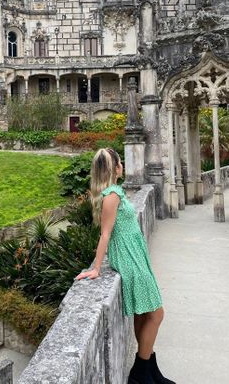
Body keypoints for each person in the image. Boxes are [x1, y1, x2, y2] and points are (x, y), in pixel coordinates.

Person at [75, 148, 175, 384]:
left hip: (135, 254)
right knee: (157, 314)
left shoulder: (115, 192)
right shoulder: (111, 196)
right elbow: (105, 234)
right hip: (128, 257)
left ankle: (150, 368)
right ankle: (140, 371)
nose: (123, 165)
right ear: (116, 167)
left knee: (144, 314)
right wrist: (97, 267)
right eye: (120, 162)